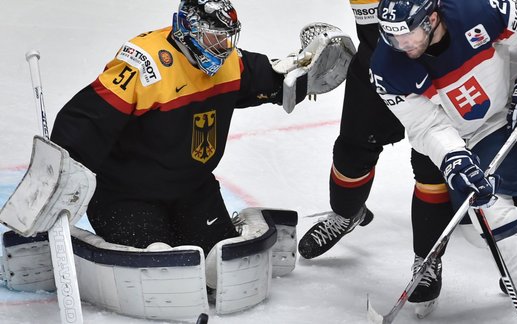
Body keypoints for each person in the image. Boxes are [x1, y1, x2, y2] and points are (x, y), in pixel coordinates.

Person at [298, 0, 517, 317]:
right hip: (409, 81)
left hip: (485, 85)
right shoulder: (390, 59)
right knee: (359, 153)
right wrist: (453, 156)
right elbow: (425, 124)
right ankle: (348, 215)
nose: (403, 44)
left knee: (489, 183)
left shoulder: (473, 12)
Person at [49, 0, 349, 256]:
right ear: (185, 29)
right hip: (127, 195)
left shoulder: (229, 62)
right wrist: (57, 180)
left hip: (192, 191)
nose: (221, 48)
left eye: (227, 38)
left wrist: (305, 71)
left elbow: (271, 80)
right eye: (212, 38)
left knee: (219, 260)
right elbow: (83, 121)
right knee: (158, 262)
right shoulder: (144, 66)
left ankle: (230, 225)